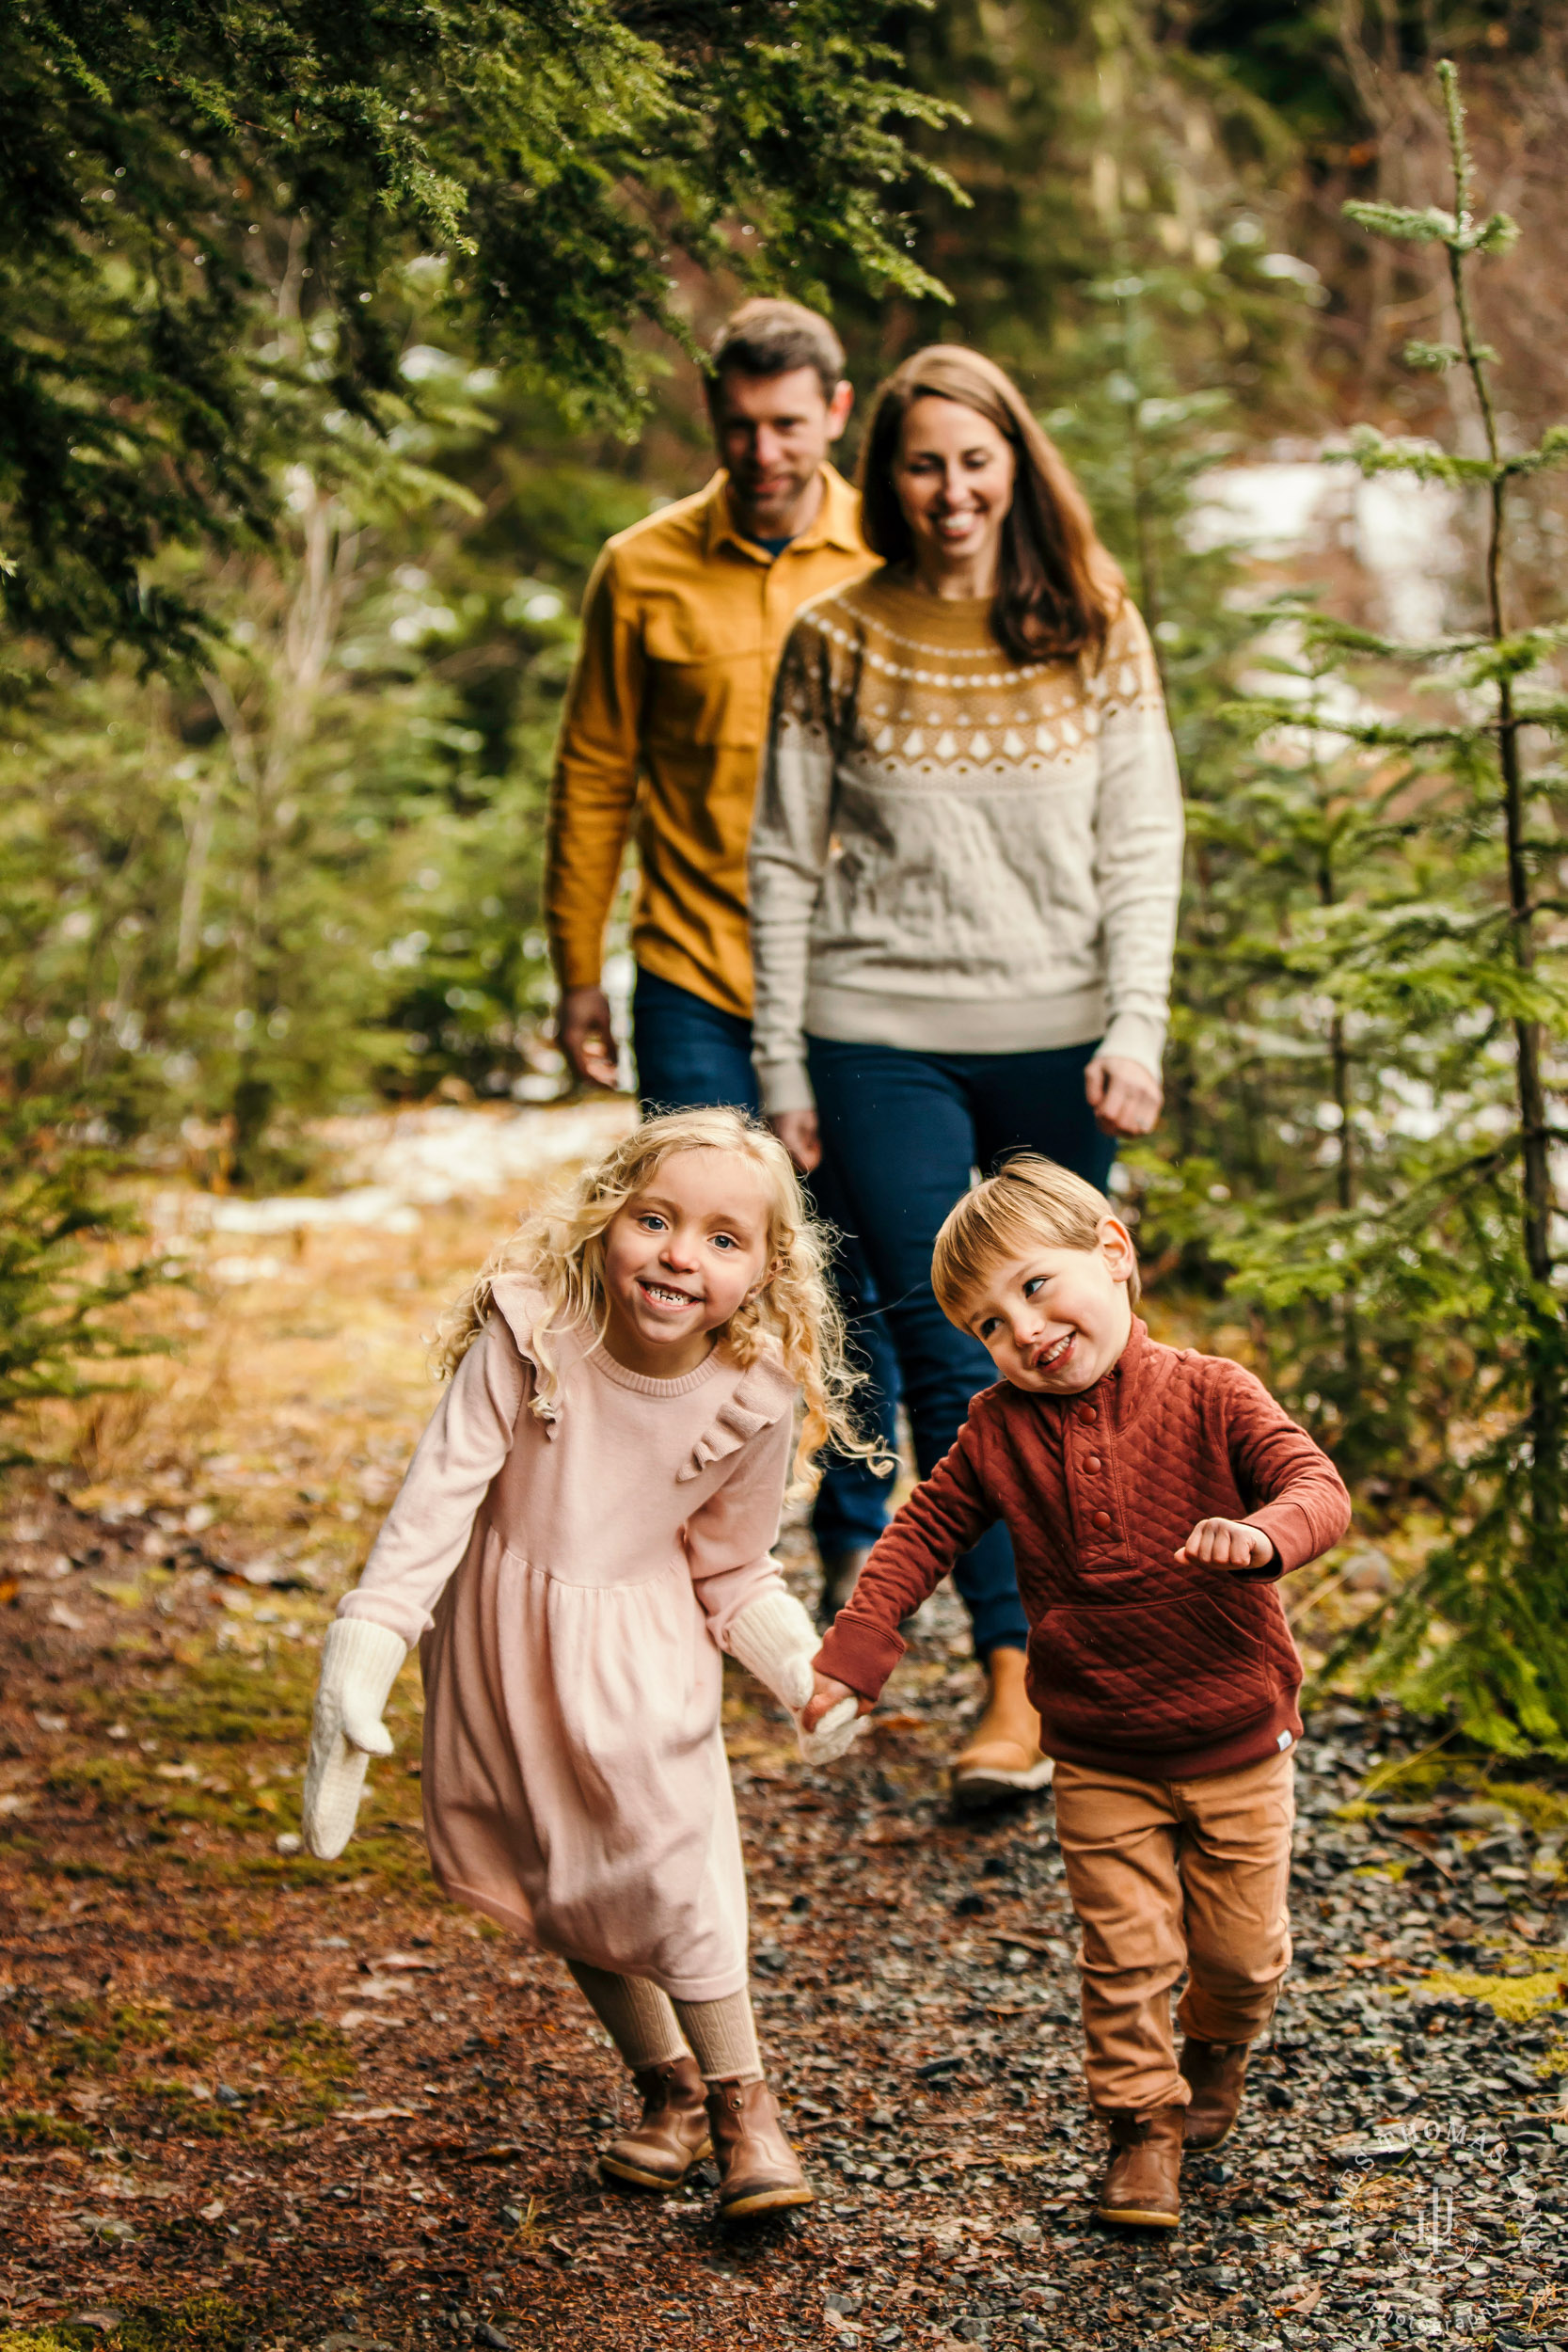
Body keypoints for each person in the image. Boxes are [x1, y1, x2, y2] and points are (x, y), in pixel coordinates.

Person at [748, 343, 1186, 1806]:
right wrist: (782, 1060)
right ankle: (1012, 1688)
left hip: (1060, 1030)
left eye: (974, 460)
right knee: (956, 1352)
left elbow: (1140, 842)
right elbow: (780, 859)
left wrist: (1136, 1026)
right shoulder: (835, 637)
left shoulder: (1093, 625)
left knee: (1084, 1344)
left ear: (1014, 464)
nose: (951, 490)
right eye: (923, 464)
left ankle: (1113, 1650)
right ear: (887, 478)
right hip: (876, 1034)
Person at [299, 1109, 868, 2222]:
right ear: (606, 1219)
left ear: (763, 1270)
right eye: (654, 1220)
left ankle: (741, 2104)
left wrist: (802, 1665)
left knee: (670, 1867)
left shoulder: (751, 1392)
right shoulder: (532, 1334)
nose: (677, 1255)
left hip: (640, 1651)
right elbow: (435, 1503)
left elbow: (732, 1566)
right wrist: (363, 1651)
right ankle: (664, 2091)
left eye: (720, 1238)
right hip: (503, 1642)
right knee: (561, 1871)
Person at [803, 1157, 1352, 2230]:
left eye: (1035, 1286)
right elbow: (919, 1531)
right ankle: (1139, 2127)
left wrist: (1262, 1534)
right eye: (989, 1325)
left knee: (1239, 1957)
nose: (1022, 1331)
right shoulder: (998, 1430)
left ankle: (1216, 2045)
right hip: (1096, 1748)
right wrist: (861, 1641)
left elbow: (1313, 1486)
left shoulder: (1211, 1392)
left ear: (1111, 1252)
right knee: (1125, 1952)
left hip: (1236, 1736)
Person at [545, 294, 895, 1625]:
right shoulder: (638, 568)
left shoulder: (893, 554)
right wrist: (577, 966)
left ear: (835, 413)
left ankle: (852, 1534)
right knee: (677, 1267)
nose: (762, 453)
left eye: (787, 427)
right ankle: (669, 1541)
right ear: (712, 417)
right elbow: (591, 775)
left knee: (854, 1257)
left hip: (859, 981)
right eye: (739, 427)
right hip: (693, 970)